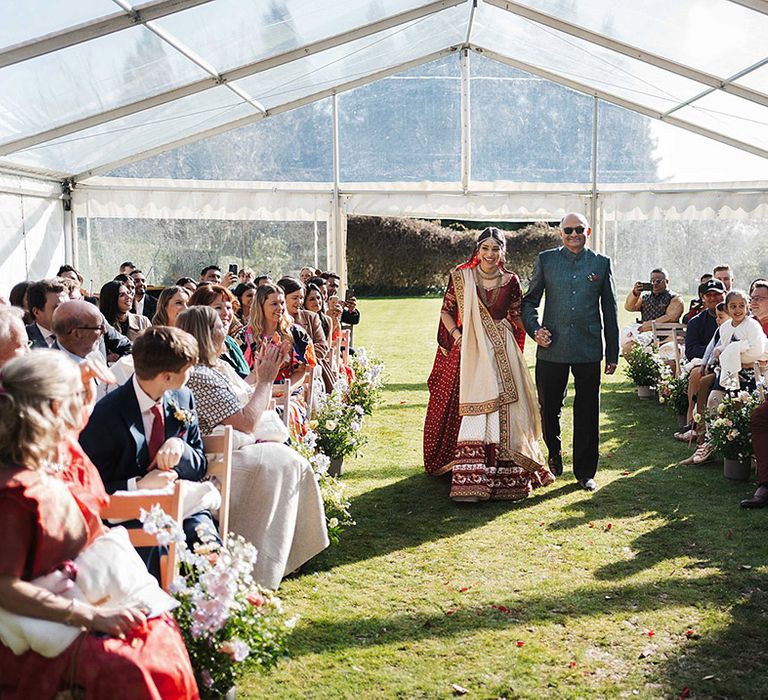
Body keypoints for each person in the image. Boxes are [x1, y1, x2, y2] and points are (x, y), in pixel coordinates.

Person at [0, 351, 198, 698]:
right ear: (56, 410)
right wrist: (90, 616)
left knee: (160, 636)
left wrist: (83, 399)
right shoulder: (15, 494)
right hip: (41, 621)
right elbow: (4, 588)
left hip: (87, 590)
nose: (87, 406)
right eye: (78, 396)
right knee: (132, 667)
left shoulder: (58, 451)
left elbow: (72, 436)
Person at [177, 307, 329, 588]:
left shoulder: (212, 368)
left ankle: (288, 553)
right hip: (214, 458)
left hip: (230, 447)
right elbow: (245, 421)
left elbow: (243, 400)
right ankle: (261, 561)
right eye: (220, 325)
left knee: (288, 460)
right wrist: (267, 380)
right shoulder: (198, 375)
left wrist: (261, 375)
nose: (227, 327)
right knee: (282, 462)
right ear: (208, 335)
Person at [424, 227, 554, 502]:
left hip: (503, 350)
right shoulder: (461, 277)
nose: (491, 254)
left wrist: (536, 331)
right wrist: (458, 336)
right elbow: (446, 311)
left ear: (503, 252)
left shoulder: (511, 280)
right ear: (477, 250)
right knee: (474, 405)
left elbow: (517, 316)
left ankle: (504, 474)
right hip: (471, 349)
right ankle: (471, 476)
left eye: (496, 249)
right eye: (486, 248)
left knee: (506, 406)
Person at [79, 326, 220, 553]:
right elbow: (92, 487)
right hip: (130, 517)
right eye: (188, 369)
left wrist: (179, 446)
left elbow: (199, 464)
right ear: (167, 376)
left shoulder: (183, 397)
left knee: (206, 540)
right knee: (160, 544)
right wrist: (138, 485)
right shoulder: (105, 416)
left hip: (182, 506)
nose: (191, 373)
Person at [521, 213, 619, 491]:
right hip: (552, 348)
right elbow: (529, 302)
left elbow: (610, 310)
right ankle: (554, 450)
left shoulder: (601, 263)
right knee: (548, 408)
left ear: (587, 230)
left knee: (588, 411)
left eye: (579, 230)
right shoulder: (546, 260)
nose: (574, 234)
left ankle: (585, 472)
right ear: (560, 233)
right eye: (568, 230)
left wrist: (612, 353)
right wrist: (535, 330)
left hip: (588, 348)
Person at [279, 276, 335, 392]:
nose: (299, 302)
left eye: (301, 298)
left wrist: (301, 360)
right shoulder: (274, 319)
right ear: (283, 298)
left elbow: (322, 346)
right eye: (295, 298)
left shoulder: (310, 317)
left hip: (309, 369)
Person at [189, 284, 250, 377]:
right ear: (200, 311)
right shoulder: (196, 348)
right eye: (218, 308)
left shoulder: (231, 343)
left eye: (229, 308)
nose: (226, 313)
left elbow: (244, 383)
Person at [624, 268, 684, 332]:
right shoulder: (646, 297)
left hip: (668, 335)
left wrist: (646, 326)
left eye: (658, 281)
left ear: (666, 281)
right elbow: (629, 307)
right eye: (652, 281)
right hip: (646, 334)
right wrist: (635, 293)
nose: (655, 284)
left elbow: (671, 318)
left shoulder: (675, 298)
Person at [25, 278, 68, 348]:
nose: (66, 313)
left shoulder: (78, 336)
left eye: (68, 307)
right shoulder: (24, 340)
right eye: (58, 308)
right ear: (36, 312)